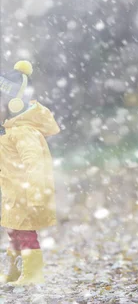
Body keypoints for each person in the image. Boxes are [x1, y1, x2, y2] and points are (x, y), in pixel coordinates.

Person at [0, 61, 60, 285]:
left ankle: (33, 274)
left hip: (25, 194)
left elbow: (35, 164)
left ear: (14, 104)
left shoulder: (23, 132)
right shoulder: (8, 131)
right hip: (13, 195)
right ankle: (16, 272)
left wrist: (36, 193)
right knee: (14, 235)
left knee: (25, 235)